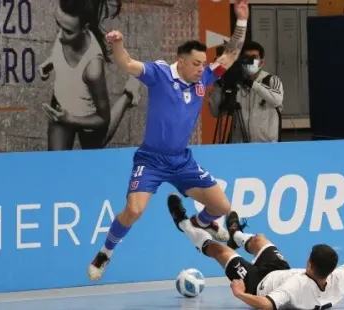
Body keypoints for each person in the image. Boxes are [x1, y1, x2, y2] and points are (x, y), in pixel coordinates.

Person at [87, 0, 250, 281]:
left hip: (181, 160)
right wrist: (117, 43)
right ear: (181, 60)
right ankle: (105, 252)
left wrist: (242, 21)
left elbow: (231, 55)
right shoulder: (160, 74)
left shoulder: (204, 79)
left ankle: (201, 224)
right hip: (151, 160)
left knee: (222, 207)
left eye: (203, 63)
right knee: (134, 209)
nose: (202, 68)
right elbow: (126, 62)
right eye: (196, 64)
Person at [167, 193, 344, 310]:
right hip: (280, 272)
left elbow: (266, 305)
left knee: (217, 250)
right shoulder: (338, 279)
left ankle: (183, 224)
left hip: (255, 283)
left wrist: (240, 293)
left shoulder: (297, 288)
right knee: (260, 240)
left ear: (310, 264)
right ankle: (235, 234)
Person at [39, 0, 136, 150]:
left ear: (84, 28)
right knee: (55, 163)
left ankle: (128, 95)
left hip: (87, 117)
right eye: (59, 25)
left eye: (68, 31)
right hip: (61, 106)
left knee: (98, 144)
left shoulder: (93, 69)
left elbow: (103, 119)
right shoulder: (68, 29)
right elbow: (63, 54)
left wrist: (71, 119)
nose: (61, 36)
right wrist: (50, 62)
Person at [209, 41, 284, 143]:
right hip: (239, 146)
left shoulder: (271, 80)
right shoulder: (235, 82)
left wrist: (251, 83)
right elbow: (216, 112)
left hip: (266, 145)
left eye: (254, 57)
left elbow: (277, 100)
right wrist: (219, 83)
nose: (249, 61)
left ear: (261, 62)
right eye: (246, 57)